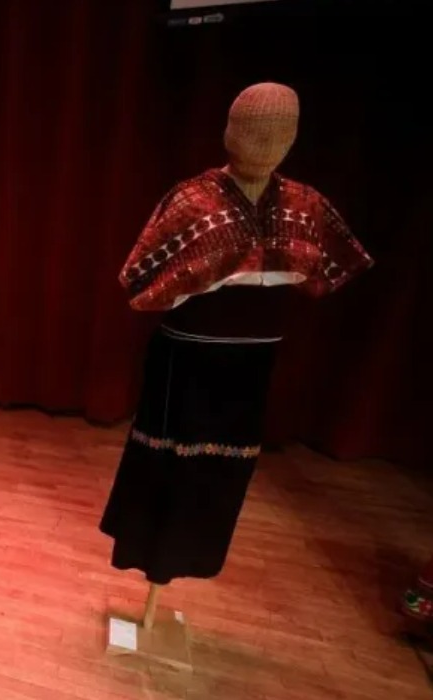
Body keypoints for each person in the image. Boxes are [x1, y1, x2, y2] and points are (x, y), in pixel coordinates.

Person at [101, 83, 373, 585]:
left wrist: (267, 266)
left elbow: (330, 268)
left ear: (293, 138)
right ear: (230, 131)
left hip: (254, 359)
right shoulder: (192, 199)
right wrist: (208, 272)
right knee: (167, 461)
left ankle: (194, 559)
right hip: (188, 354)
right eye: (252, 130)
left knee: (225, 468)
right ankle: (150, 559)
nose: (263, 144)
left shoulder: (305, 204)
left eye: (278, 133)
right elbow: (140, 279)